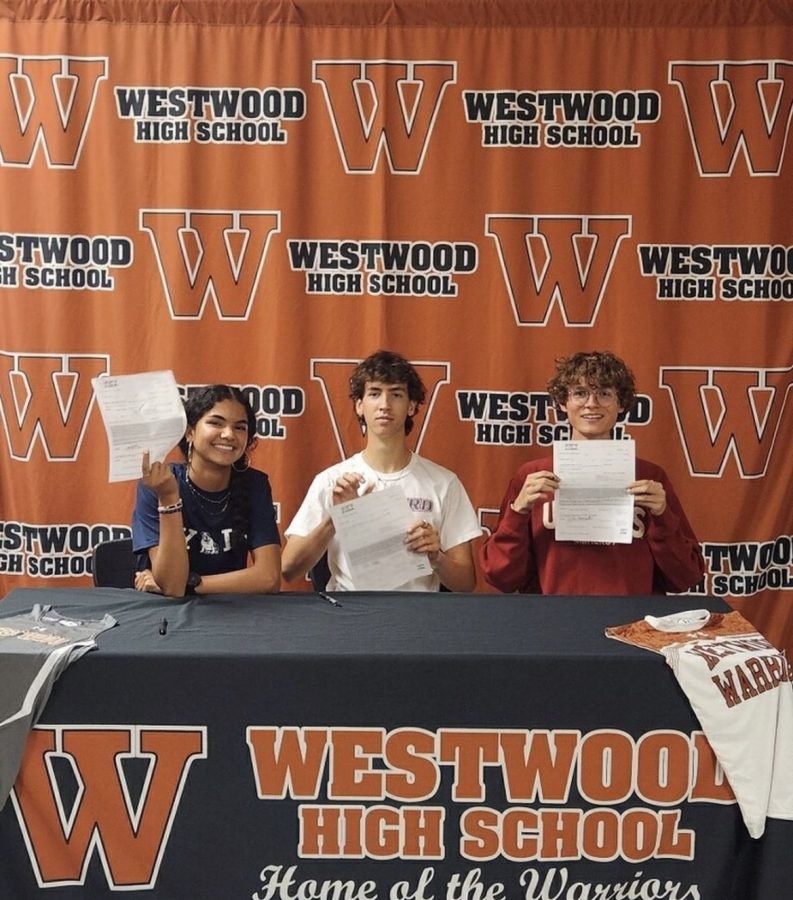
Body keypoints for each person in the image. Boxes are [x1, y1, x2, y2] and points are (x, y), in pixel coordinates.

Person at [480, 351, 705, 596]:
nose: (591, 403)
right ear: (563, 403)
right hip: (552, 623)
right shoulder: (533, 476)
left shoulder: (648, 477)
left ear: (621, 404)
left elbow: (686, 576)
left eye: (604, 393)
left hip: (631, 625)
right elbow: (499, 575)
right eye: (580, 393)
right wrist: (518, 512)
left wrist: (662, 516)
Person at [281, 350, 481, 592]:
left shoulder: (444, 483)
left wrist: (435, 557)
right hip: (350, 616)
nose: (385, 405)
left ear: (411, 406)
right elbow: (289, 569)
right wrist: (337, 518)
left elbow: (466, 583)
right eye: (374, 394)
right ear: (359, 406)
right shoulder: (333, 482)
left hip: (418, 619)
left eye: (396, 394)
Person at [132, 384, 281, 597]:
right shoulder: (159, 484)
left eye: (240, 427)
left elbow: (269, 578)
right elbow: (172, 589)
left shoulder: (254, 484)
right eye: (215, 423)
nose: (229, 434)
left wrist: (192, 583)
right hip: (167, 617)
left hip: (234, 612)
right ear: (190, 432)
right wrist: (169, 498)